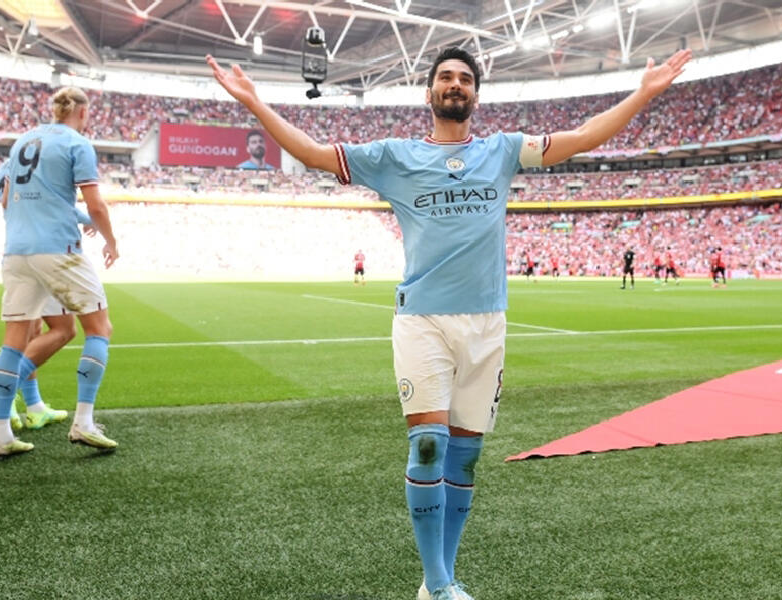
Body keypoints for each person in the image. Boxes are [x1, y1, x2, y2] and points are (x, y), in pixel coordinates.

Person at [207, 45, 690, 600]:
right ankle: (438, 585)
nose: (455, 84)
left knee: (466, 456)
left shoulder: (502, 151)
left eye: (464, 78)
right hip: (424, 320)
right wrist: (254, 102)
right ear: (429, 92)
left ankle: (441, 577)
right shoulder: (396, 156)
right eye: (445, 77)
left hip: (487, 323)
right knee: (428, 447)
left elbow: (581, 138)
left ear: (476, 95)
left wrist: (643, 92)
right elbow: (315, 154)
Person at [0, 86, 120, 458]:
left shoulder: (23, 141)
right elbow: (96, 205)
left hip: (17, 251)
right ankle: (84, 423)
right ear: (82, 112)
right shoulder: (76, 143)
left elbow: (6, 196)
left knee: (14, 340)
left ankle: (0, 434)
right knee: (99, 327)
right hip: (58, 249)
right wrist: (111, 241)